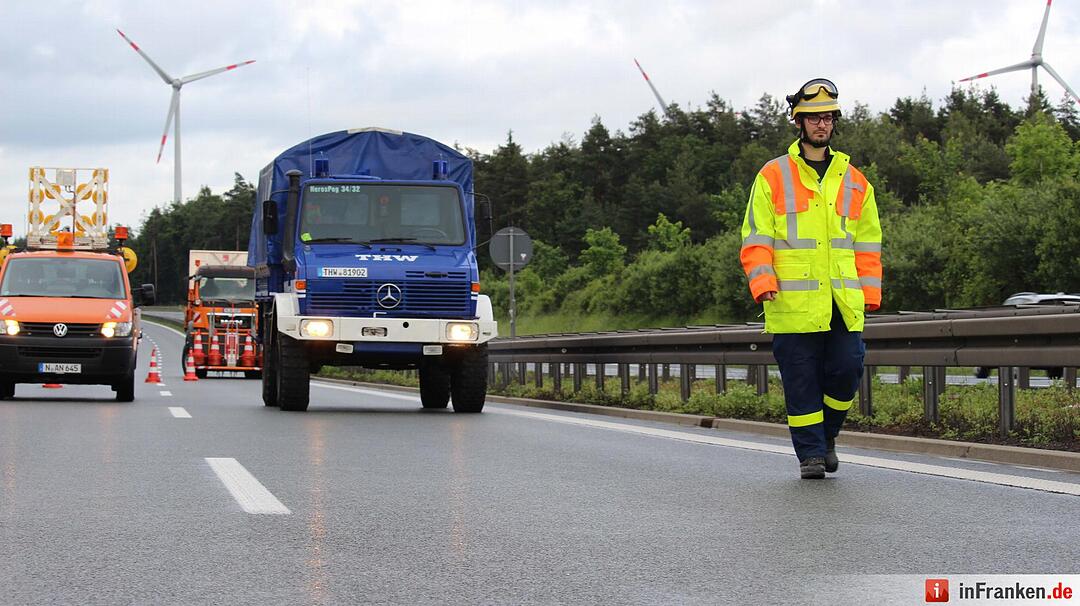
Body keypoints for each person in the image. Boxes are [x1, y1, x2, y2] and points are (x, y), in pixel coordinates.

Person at [739, 78, 883, 479]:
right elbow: (755, 235)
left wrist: (869, 293)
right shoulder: (772, 175)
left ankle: (828, 434)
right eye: (812, 118)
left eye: (827, 117)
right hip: (791, 303)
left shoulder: (855, 180)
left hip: (841, 301)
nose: (821, 124)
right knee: (801, 382)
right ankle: (811, 456)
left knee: (847, 369)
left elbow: (868, 243)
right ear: (797, 122)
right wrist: (762, 282)